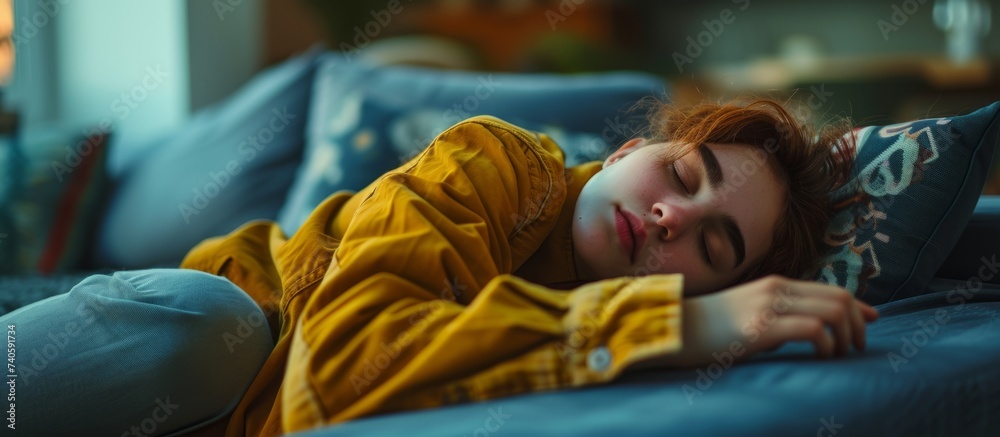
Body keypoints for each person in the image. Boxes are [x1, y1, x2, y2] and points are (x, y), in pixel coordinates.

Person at [0, 98, 879, 436]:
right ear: (627, 154)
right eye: (684, 175)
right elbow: (338, 366)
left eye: (710, 246)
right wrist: (679, 323)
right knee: (214, 332)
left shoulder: (608, 366)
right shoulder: (497, 163)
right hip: (194, 322)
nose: (670, 215)